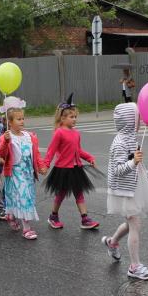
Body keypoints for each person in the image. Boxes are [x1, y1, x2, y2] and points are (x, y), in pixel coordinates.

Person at [101, 103, 148, 279]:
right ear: (129, 120)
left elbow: (140, 166)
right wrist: (133, 162)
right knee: (135, 224)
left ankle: (112, 242)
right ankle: (134, 266)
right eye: (137, 117)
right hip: (123, 190)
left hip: (132, 187)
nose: (140, 121)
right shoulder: (119, 143)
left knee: (132, 222)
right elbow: (118, 169)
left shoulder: (133, 140)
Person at [43, 94, 100, 230]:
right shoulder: (59, 133)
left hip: (75, 169)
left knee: (79, 193)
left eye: (75, 117)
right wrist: (46, 165)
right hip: (63, 169)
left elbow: (78, 151)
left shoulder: (76, 133)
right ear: (63, 118)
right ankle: (53, 216)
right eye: (71, 117)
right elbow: (51, 150)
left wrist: (89, 158)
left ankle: (85, 219)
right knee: (61, 194)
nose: (74, 119)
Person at [0, 106, 45, 239]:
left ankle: (11, 215)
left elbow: (36, 154)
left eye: (23, 118)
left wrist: (41, 166)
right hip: (15, 173)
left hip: (28, 173)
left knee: (21, 198)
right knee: (24, 199)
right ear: (10, 122)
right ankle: (27, 229)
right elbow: (1, 154)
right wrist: (6, 141)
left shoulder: (30, 136)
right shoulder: (6, 137)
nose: (22, 121)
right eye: (18, 119)